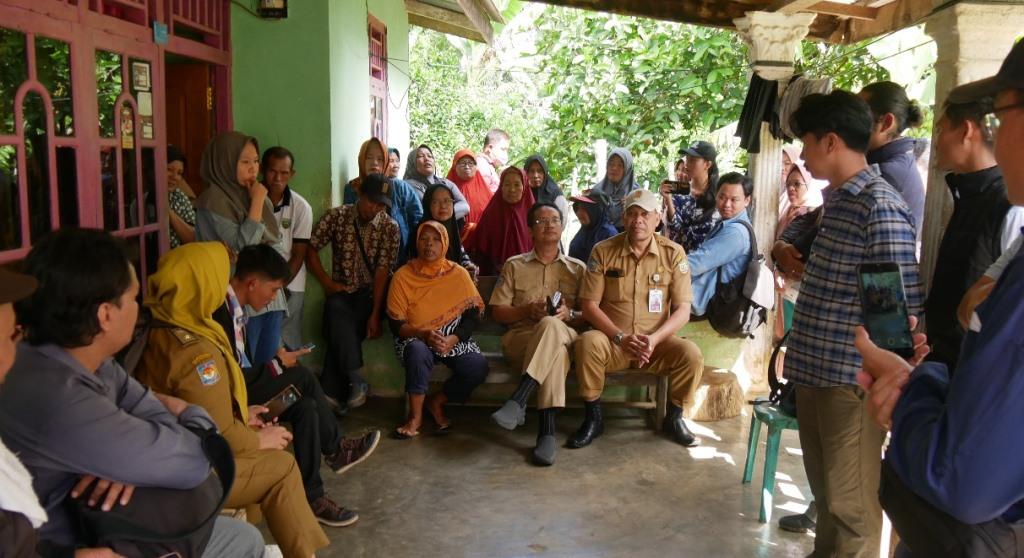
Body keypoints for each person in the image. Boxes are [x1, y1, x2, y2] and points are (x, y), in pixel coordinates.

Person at [0, 228, 265, 558]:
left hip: (116, 523)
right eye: (133, 298)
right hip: (82, 545)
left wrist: (133, 453)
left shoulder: (91, 361)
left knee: (244, 538)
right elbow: (198, 459)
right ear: (105, 315)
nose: (140, 308)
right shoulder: (61, 400)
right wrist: (185, 413)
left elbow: (144, 404)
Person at [856, 42, 1024, 556]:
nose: (998, 134)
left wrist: (916, 387)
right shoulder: (972, 196)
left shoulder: (1001, 208)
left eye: (1003, 115)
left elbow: (962, 481)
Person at [785, 90, 922, 557]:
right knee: (830, 503)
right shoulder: (841, 201)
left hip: (850, 384)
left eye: (806, 143)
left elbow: (891, 315)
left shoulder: (878, 205)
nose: (803, 155)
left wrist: (879, 384)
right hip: (817, 375)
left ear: (830, 141)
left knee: (852, 512)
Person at [136, 242, 335, 554]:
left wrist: (245, 413)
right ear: (204, 284)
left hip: (169, 453)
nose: (224, 284)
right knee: (281, 466)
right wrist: (260, 439)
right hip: (191, 467)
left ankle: (252, 546)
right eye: (219, 277)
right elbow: (221, 433)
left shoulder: (160, 329)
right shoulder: (196, 352)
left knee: (302, 406)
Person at [571, 189, 705, 449]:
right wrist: (620, 338)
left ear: (658, 218)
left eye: (645, 214)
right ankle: (593, 417)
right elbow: (589, 306)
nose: (638, 220)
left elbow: (682, 310)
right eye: (632, 214)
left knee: (691, 354)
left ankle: (674, 416)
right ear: (624, 217)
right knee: (587, 342)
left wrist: (653, 340)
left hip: (656, 347)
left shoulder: (673, 253)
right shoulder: (603, 251)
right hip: (614, 343)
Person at [923, 97, 1024, 369]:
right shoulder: (968, 195)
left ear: (967, 130)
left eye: (942, 130)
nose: (936, 141)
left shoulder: (1011, 206)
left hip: (978, 374)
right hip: (946, 367)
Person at [489, 203, 586, 466]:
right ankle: (546, 432)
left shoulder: (577, 269)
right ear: (530, 229)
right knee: (553, 345)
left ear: (562, 226)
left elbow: (589, 313)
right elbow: (497, 312)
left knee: (553, 327)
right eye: (541, 221)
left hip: (566, 337)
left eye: (554, 219)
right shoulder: (514, 265)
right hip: (521, 341)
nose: (549, 224)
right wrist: (526, 311)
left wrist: (571, 315)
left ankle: (519, 400)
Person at [195, 131, 287, 370]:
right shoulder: (213, 201)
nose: (253, 168)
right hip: (237, 299)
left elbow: (274, 239)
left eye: (255, 161)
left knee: (271, 367)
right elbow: (245, 248)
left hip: (268, 296)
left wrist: (257, 201)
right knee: (246, 370)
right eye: (245, 162)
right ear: (225, 162)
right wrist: (257, 202)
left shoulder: (249, 194)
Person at [308, 173, 400, 410]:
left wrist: (375, 315)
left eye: (381, 204)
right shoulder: (338, 216)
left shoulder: (390, 228)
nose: (375, 208)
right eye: (371, 201)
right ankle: (356, 380)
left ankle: (331, 390)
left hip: (371, 298)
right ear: (359, 194)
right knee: (336, 311)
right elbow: (310, 247)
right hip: (341, 293)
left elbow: (382, 272)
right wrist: (327, 282)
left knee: (338, 326)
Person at [388, 221, 488, 438]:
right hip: (415, 337)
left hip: (451, 337)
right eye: (424, 239)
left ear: (445, 243)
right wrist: (423, 334)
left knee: (477, 367)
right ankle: (415, 418)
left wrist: (454, 338)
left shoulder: (458, 274)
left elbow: (472, 317)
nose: (429, 245)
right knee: (416, 352)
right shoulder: (403, 276)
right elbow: (396, 325)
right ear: (417, 243)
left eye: (435, 239)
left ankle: (437, 401)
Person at [262, 146, 314, 351]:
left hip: (290, 280)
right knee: (264, 339)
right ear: (262, 171)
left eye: (284, 173)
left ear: (291, 174)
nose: (277, 178)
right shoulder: (250, 200)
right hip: (257, 280)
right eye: (272, 171)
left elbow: (299, 254)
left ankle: (293, 381)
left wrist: (279, 285)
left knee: (288, 336)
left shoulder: (301, 207)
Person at [859, 81, 927, 233]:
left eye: (858, 115)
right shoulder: (880, 160)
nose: (849, 122)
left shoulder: (888, 173)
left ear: (886, 123)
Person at [342, 138, 423, 262]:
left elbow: (418, 220)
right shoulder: (353, 188)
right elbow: (348, 224)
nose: (374, 163)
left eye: (380, 159)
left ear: (386, 162)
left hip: (398, 260)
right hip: (361, 263)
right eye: (368, 157)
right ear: (361, 160)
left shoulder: (399, 188)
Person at [686, 173, 754, 317]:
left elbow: (697, 263)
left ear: (747, 200)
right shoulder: (727, 224)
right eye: (722, 197)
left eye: (734, 200)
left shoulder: (736, 233)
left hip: (707, 305)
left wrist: (663, 265)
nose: (726, 204)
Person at [465, 166, 536, 276]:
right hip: (494, 276)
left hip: (528, 276)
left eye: (517, 185)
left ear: (524, 187)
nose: (512, 189)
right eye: (507, 184)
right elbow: (480, 249)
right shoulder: (491, 214)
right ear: (501, 187)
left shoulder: (534, 215)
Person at [664, 141, 720, 251]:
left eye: (692, 160)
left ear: (707, 165)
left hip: (710, 259)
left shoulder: (720, 193)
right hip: (682, 260)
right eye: (687, 159)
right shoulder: (678, 190)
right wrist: (668, 199)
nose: (686, 164)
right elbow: (675, 227)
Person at [417, 183, 479, 277]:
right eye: (436, 202)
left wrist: (468, 265)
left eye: (447, 201)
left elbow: (460, 254)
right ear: (427, 205)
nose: (443, 206)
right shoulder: (419, 233)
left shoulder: (453, 230)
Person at [403, 144, 471, 219]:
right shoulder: (407, 186)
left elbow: (465, 206)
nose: (426, 159)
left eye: (430, 156)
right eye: (420, 156)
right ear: (412, 162)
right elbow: (427, 210)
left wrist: (443, 217)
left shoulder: (446, 183)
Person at [446, 148, 493, 241]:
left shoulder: (482, 184)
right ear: (455, 166)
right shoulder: (447, 186)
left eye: (471, 163)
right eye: (463, 163)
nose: (467, 167)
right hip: (457, 237)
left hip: (483, 236)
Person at [591, 147, 640, 230]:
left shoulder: (638, 194)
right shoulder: (597, 191)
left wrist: (631, 208)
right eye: (611, 164)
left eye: (620, 165)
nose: (614, 168)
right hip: (600, 239)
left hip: (627, 239)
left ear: (627, 169)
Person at [568, 191, 617, 262]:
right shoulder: (585, 230)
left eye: (584, 208)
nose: (578, 212)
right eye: (577, 208)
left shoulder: (609, 235)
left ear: (596, 210)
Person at [167, 145, 197, 248]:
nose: (174, 177)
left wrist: (169, 213)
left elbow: (193, 238)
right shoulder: (143, 199)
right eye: (169, 169)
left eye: (179, 173)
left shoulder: (179, 198)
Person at [523, 154, 569, 220]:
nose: (536, 175)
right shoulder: (521, 191)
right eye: (532, 171)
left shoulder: (555, 194)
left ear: (545, 173)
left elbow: (561, 222)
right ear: (526, 173)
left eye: (539, 171)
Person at [476, 128, 510, 193]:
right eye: (503, 149)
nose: (505, 154)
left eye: (507, 150)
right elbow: (482, 195)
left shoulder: (488, 165)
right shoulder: (482, 165)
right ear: (490, 148)